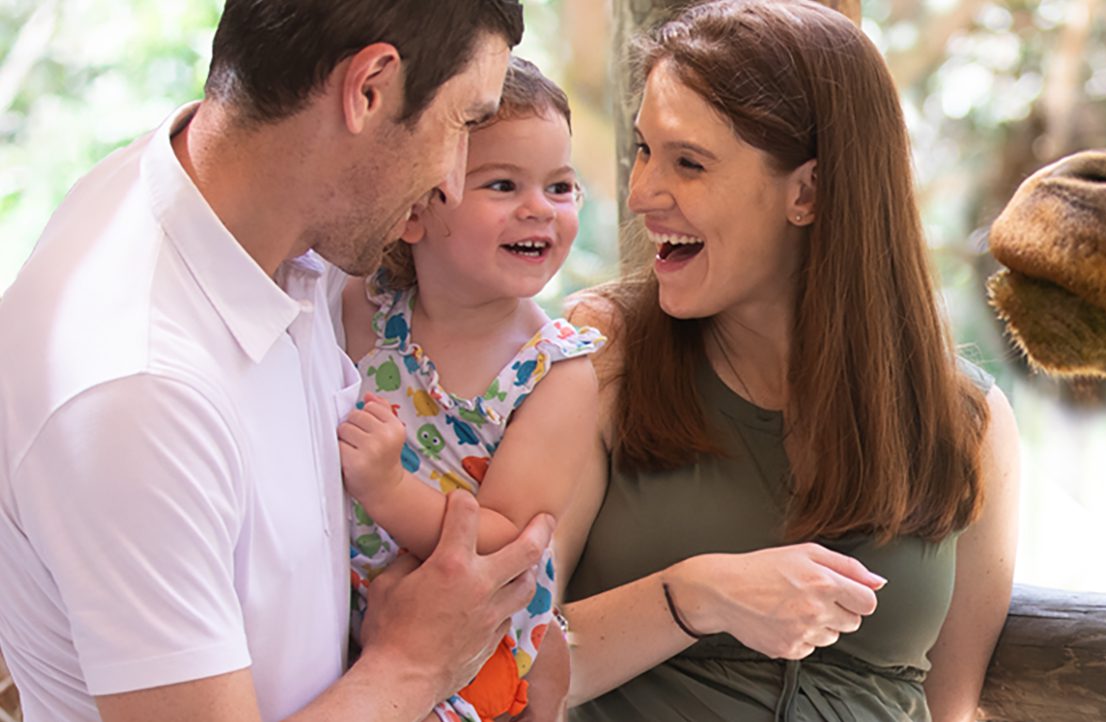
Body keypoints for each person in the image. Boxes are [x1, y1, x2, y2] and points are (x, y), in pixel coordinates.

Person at [0, 2, 556, 721]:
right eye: (462, 125)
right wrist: (413, 664)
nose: (453, 179)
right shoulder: (140, 394)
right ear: (369, 89)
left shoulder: (258, 217)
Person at [555, 1, 1022, 720]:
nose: (642, 193)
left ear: (806, 191)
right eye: (644, 151)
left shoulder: (969, 420)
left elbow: (949, 708)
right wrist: (694, 596)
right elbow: (500, 665)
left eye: (688, 162)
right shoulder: (602, 352)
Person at [337, 55, 601, 722]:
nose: (540, 209)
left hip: (475, 648)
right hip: (345, 631)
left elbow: (509, 535)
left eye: (561, 187)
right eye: (504, 184)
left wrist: (388, 490)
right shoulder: (364, 307)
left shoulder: (556, 372)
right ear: (414, 211)